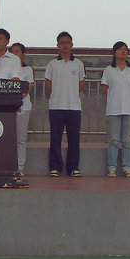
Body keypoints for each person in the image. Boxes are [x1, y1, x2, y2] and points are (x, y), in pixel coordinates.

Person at [45, 31, 86, 177]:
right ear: (58, 45)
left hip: (73, 107)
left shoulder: (78, 63)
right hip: (56, 106)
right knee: (55, 138)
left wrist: (71, 94)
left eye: (67, 43)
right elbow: (48, 84)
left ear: (72, 45)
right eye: (62, 43)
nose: (65, 46)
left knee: (74, 139)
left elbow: (81, 83)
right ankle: (55, 167)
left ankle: (73, 167)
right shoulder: (52, 64)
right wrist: (58, 94)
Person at [101, 41, 130, 178]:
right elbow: (105, 88)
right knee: (114, 140)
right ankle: (112, 168)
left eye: (125, 50)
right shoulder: (108, 70)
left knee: (127, 141)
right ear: (114, 52)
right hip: (113, 110)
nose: (123, 52)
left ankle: (127, 167)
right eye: (120, 49)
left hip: (129, 110)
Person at [10, 42, 34, 175]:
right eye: (12, 51)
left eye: (17, 51)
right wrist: (13, 104)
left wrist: (18, 102)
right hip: (8, 108)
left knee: (20, 138)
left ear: (23, 54)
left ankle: (19, 167)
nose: (14, 54)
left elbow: (27, 88)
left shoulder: (27, 69)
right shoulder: (6, 69)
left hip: (23, 107)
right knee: (8, 138)